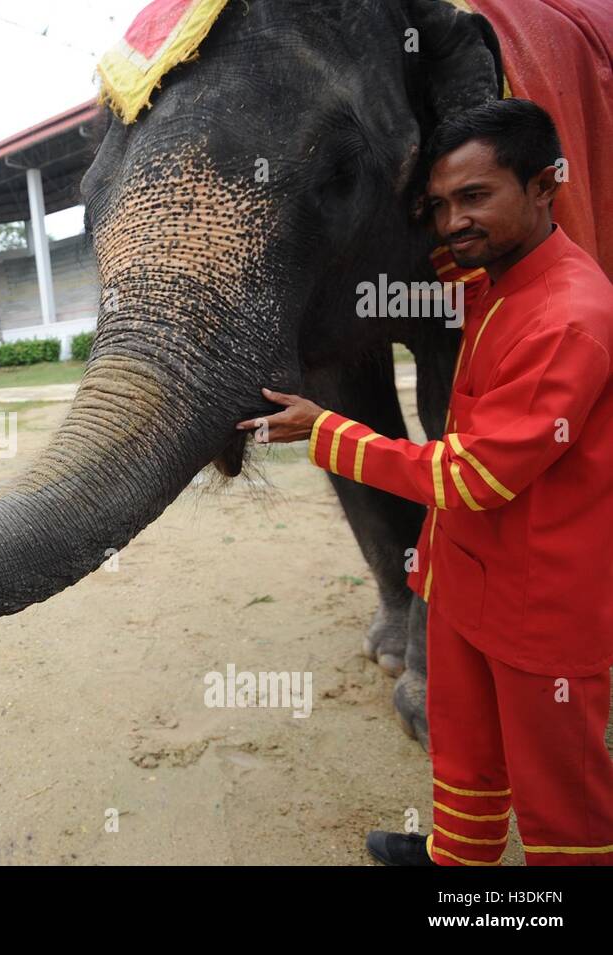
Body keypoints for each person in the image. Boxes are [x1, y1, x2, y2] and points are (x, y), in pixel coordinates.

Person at [236, 99, 613, 866]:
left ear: (546, 186)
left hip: (542, 607)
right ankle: (457, 861)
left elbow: (472, 476)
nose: (452, 223)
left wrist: (326, 431)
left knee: (560, 800)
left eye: (475, 197)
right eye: (439, 205)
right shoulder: (492, 279)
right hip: (469, 578)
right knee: (465, 750)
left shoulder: (570, 316)